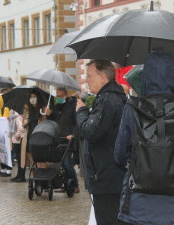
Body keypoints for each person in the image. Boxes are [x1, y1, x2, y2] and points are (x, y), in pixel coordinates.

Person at [115, 51, 174, 225]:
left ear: (145, 77)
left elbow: (119, 156)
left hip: (138, 206)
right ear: (172, 78)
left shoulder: (132, 109)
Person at [76, 60, 126, 225]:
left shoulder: (108, 99)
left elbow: (91, 131)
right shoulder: (112, 97)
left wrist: (82, 111)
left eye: (90, 76)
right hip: (110, 175)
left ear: (103, 77)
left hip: (106, 176)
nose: (87, 80)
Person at [45, 87, 80, 193]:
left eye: (60, 96)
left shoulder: (73, 106)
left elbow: (77, 122)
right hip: (58, 138)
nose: (59, 98)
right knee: (61, 164)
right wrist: (48, 115)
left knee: (67, 163)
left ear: (66, 95)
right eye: (57, 96)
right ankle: (66, 185)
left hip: (68, 138)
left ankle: (75, 184)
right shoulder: (56, 107)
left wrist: (73, 135)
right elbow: (53, 121)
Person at [21, 91, 46, 172]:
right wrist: (25, 122)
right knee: (30, 159)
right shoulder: (27, 108)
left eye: (34, 96)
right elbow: (23, 122)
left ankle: (41, 176)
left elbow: (45, 122)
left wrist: (45, 113)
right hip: (29, 136)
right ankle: (34, 177)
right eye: (31, 97)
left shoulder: (43, 109)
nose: (32, 99)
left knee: (39, 159)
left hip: (39, 137)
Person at [0, 94, 12, 177]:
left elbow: (3, 120)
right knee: (0, 152)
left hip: (5, 134)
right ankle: (3, 169)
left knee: (6, 152)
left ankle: (8, 170)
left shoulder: (6, 109)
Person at [9, 108, 25, 182]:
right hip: (16, 140)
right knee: (19, 159)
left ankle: (21, 176)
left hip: (18, 140)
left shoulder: (17, 117)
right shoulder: (14, 117)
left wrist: (17, 135)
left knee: (20, 159)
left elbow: (21, 128)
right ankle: (19, 175)